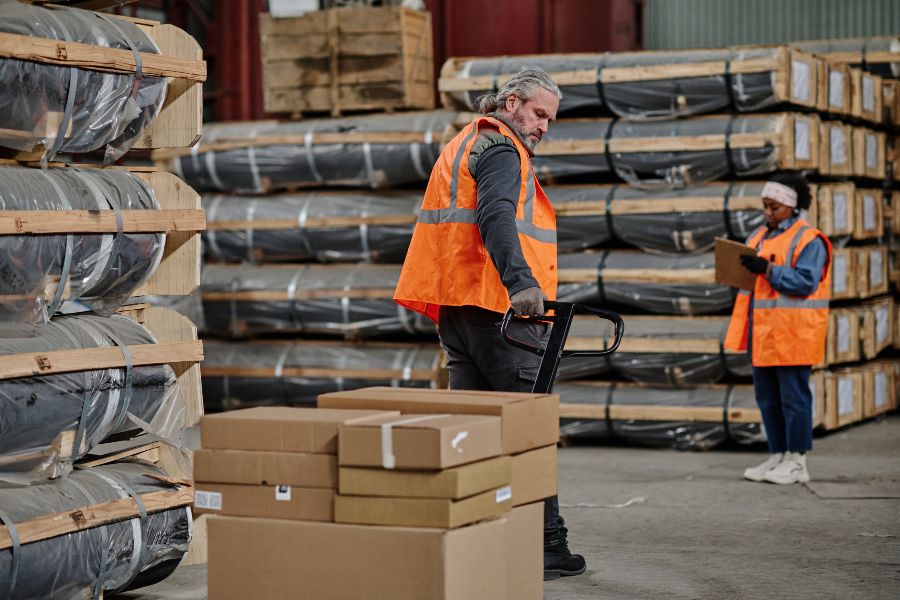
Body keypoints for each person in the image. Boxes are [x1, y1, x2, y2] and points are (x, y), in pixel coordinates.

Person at [394, 69, 586, 580]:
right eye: (539, 114)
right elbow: (496, 215)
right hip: (503, 313)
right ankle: (545, 543)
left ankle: (480, 534)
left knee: (473, 432)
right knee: (528, 429)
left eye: (550, 119)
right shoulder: (502, 151)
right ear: (510, 102)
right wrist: (522, 282)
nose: (543, 127)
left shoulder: (464, 143)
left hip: (459, 312)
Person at [724, 173, 832, 485]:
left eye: (774, 207)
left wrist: (769, 270)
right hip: (762, 334)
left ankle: (797, 461)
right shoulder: (758, 236)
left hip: (794, 334)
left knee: (794, 399)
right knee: (768, 398)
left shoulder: (809, 239)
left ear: (791, 206)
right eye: (765, 206)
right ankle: (778, 455)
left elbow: (805, 282)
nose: (768, 213)